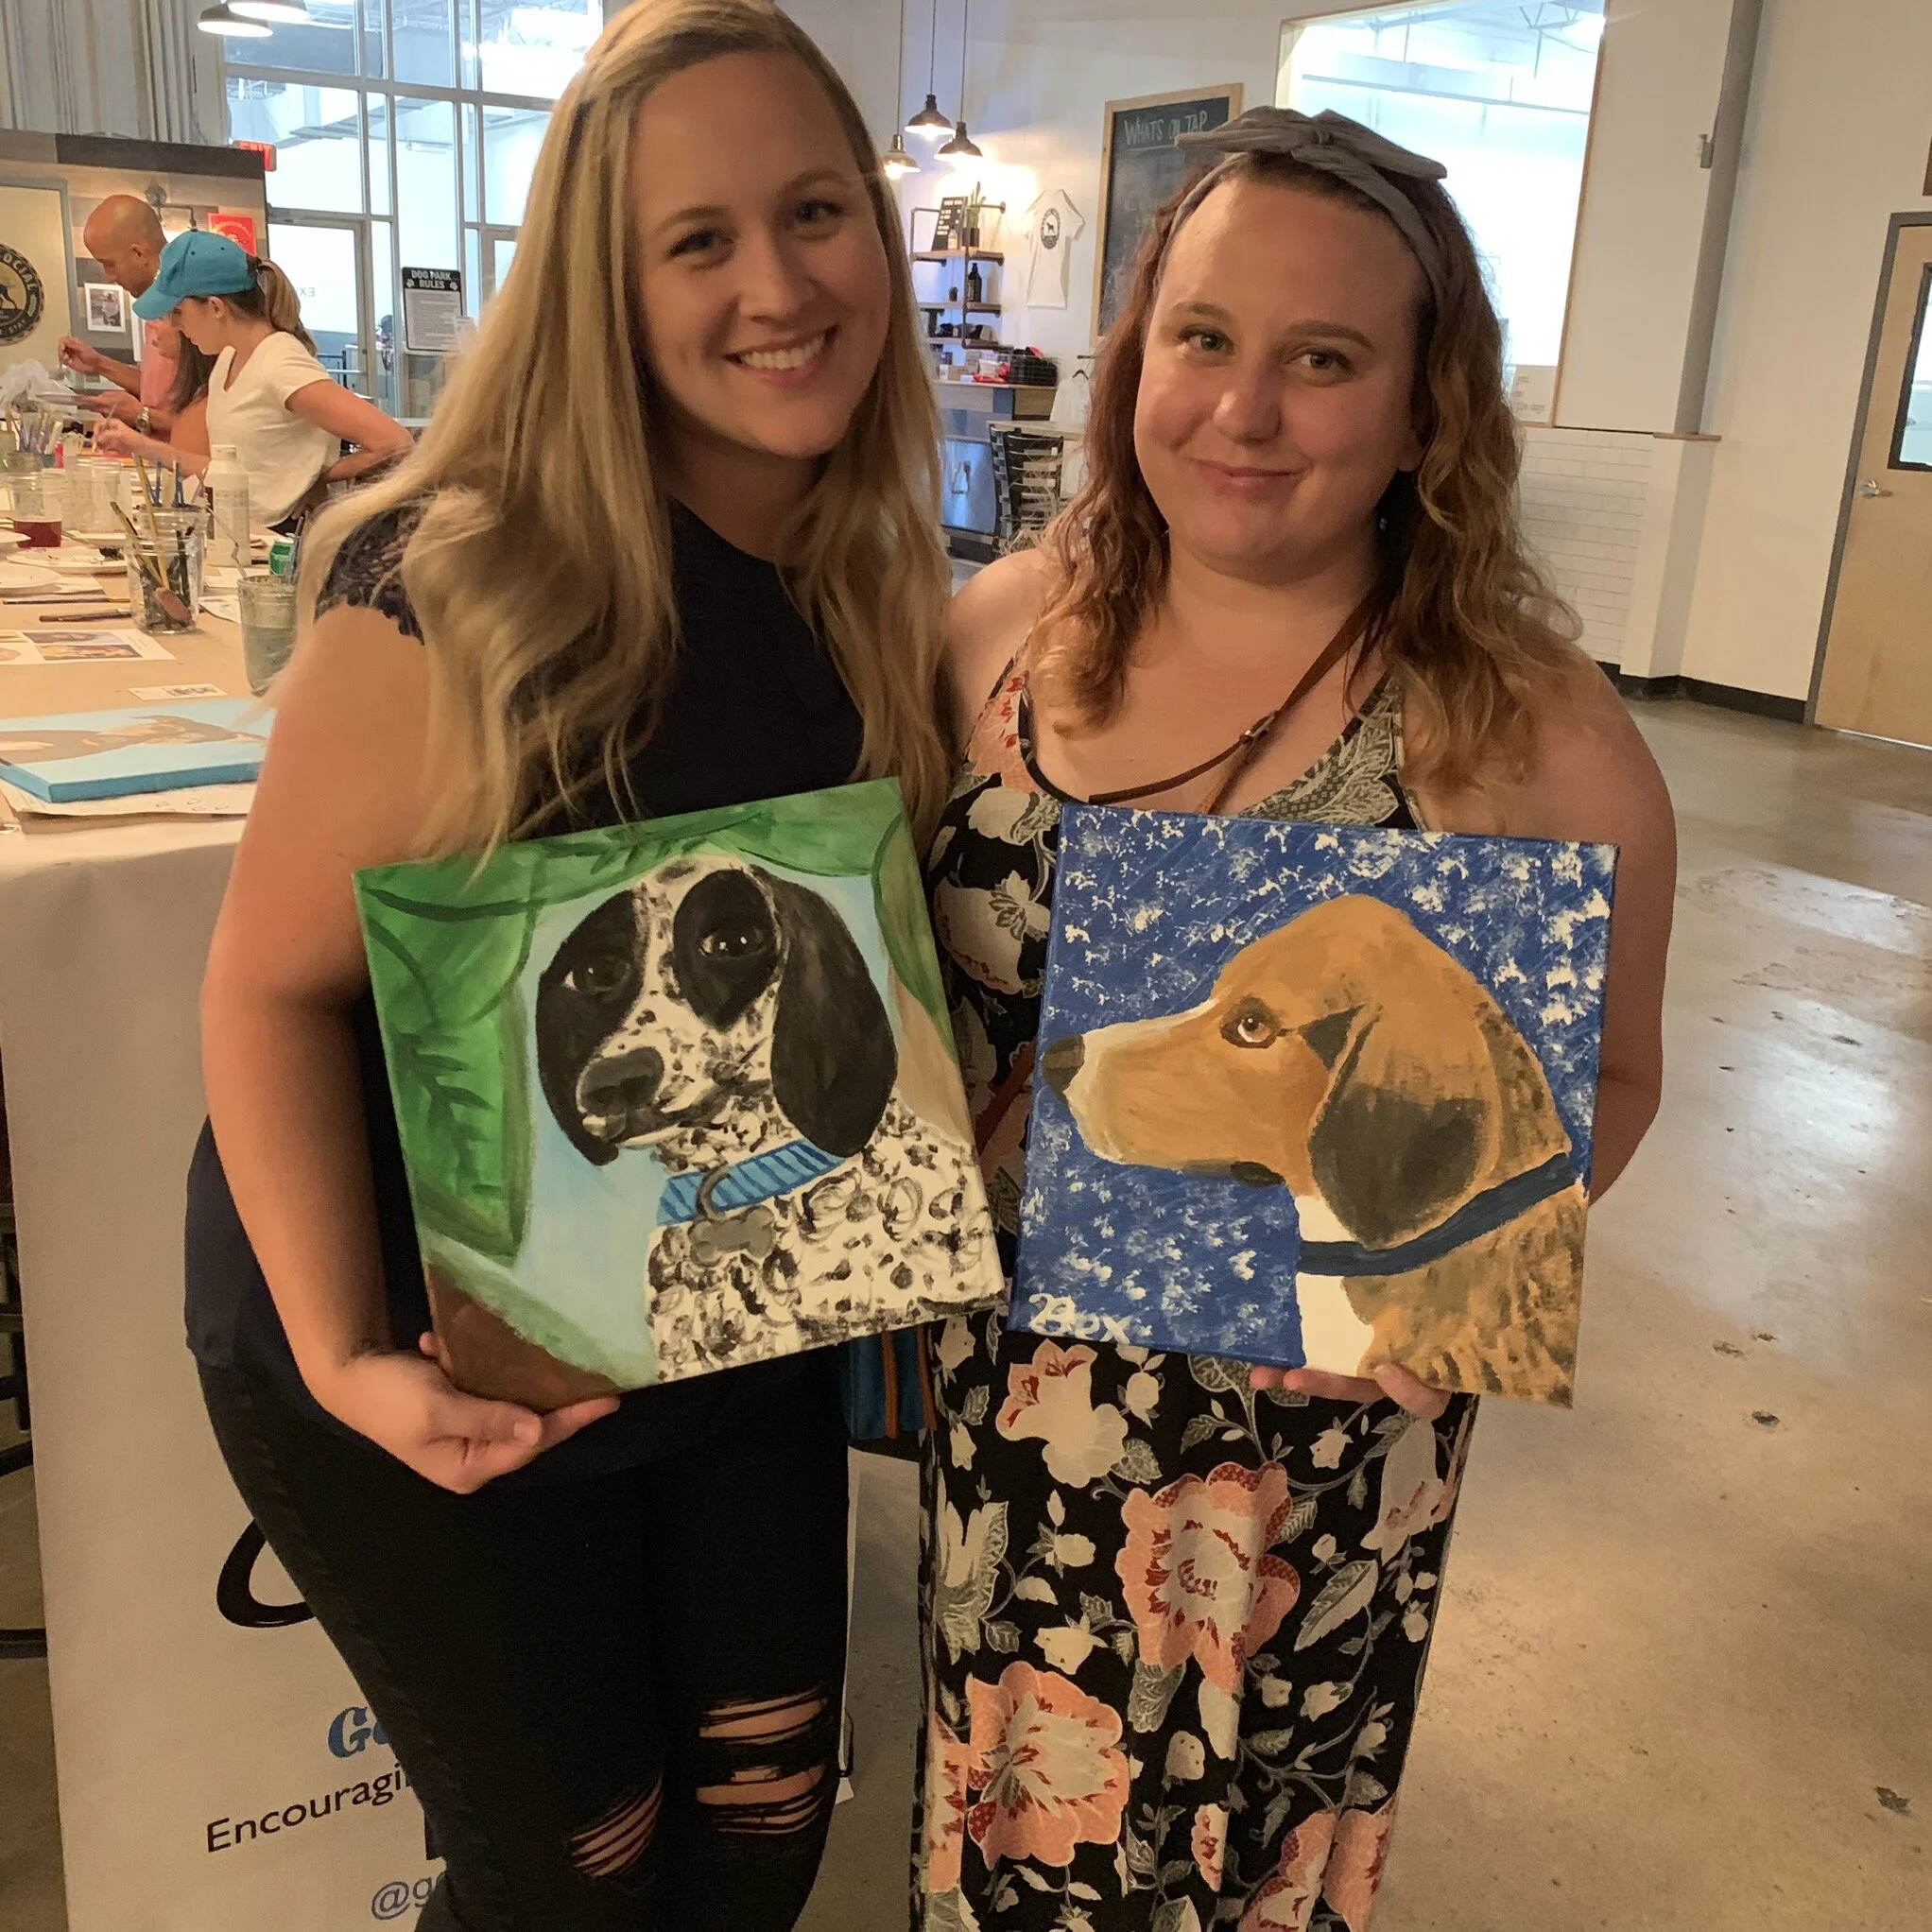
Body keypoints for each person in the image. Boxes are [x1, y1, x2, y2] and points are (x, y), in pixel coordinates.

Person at [185, 3, 949, 1928]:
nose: (775, 285)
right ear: (600, 288)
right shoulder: (465, 581)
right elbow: (267, 990)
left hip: (722, 1303)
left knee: (763, 1831)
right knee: (576, 1877)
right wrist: (348, 1359)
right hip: (422, 1329)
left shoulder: (871, 581)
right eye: (696, 240)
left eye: (813, 212)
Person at [917, 108, 1677, 1931]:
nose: (1240, 409)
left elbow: (1613, 1069)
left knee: (1240, 1875)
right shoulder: (994, 637)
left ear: (1423, 410)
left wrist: (1444, 1281)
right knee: (1009, 1854)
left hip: (1312, 1472)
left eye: (1320, 359)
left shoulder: (1521, 728)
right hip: (1012, 1437)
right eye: (1201, 337)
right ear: (1135, 357)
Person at [96, 232, 412, 525]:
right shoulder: (228, 360)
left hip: (284, 538)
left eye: (177, 312)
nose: (175, 325)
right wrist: (137, 444)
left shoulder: (281, 363)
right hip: (243, 533)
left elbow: (394, 442)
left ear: (215, 307)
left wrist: (316, 476)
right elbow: (229, 472)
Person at [57, 193, 178, 436]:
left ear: (138, 254)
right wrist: (99, 364)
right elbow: (160, 390)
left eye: (109, 264)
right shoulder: (156, 306)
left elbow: (213, 425)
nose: (108, 277)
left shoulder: (190, 307)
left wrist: (141, 415)